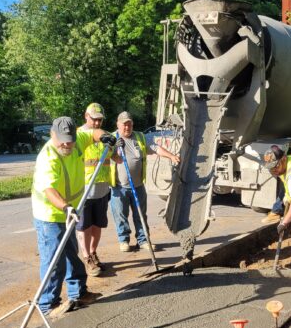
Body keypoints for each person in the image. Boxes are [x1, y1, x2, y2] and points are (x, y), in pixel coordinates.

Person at [31, 116, 120, 316]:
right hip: (50, 213)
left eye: (70, 139)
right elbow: (49, 190)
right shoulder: (48, 156)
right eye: (62, 139)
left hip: (72, 209)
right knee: (54, 260)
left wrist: (106, 137)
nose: (67, 143)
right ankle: (49, 304)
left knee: (72, 253)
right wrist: (66, 207)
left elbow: (94, 133)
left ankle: (78, 293)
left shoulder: (78, 139)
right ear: (52, 134)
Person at [110, 111, 180, 252]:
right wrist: (113, 149)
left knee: (141, 214)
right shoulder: (111, 138)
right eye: (124, 124)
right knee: (121, 216)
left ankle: (143, 240)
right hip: (119, 187)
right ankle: (123, 241)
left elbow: (156, 148)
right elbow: (103, 156)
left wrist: (171, 156)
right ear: (118, 124)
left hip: (138, 186)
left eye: (129, 124)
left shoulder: (140, 137)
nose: (127, 127)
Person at [76, 103, 111, 277]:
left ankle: (93, 252)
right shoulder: (78, 135)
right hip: (84, 190)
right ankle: (86, 257)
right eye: (94, 119)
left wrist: (117, 147)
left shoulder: (106, 136)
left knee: (98, 225)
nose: (97, 123)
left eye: (100, 120)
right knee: (84, 226)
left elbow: (116, 158)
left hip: (103, 188)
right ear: (86, 116)